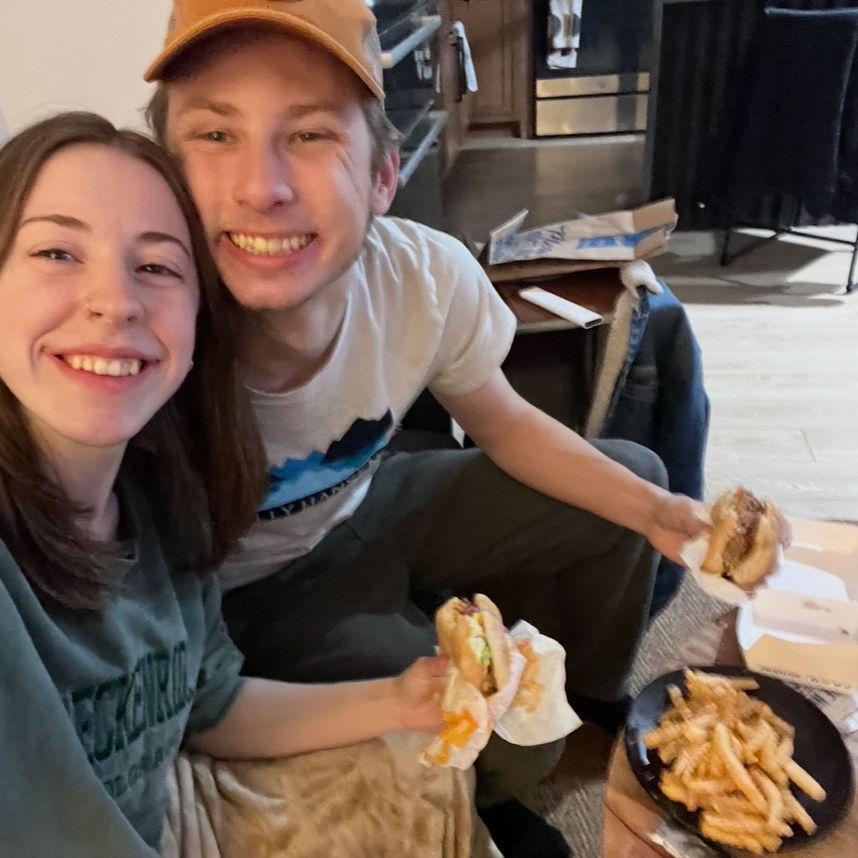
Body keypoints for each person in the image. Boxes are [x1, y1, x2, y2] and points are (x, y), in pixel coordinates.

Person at [144, 3, 707, 854]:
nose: (262, 188)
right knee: (479, 730)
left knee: (635, 478)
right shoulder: (145, 344)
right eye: (216, 135)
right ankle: (496, 789)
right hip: (255, 592)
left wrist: (657, 514)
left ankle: (585, 706)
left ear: (382, 176)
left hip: (373, 500)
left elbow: (506, 424)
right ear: (162, 172)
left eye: (309, 134)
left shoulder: (422, 275)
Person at [0, 112, 448, 858]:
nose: (116, 300)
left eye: (156, 267)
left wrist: (399, 702)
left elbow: (210, 704)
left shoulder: (160, 501)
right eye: (56, 252)